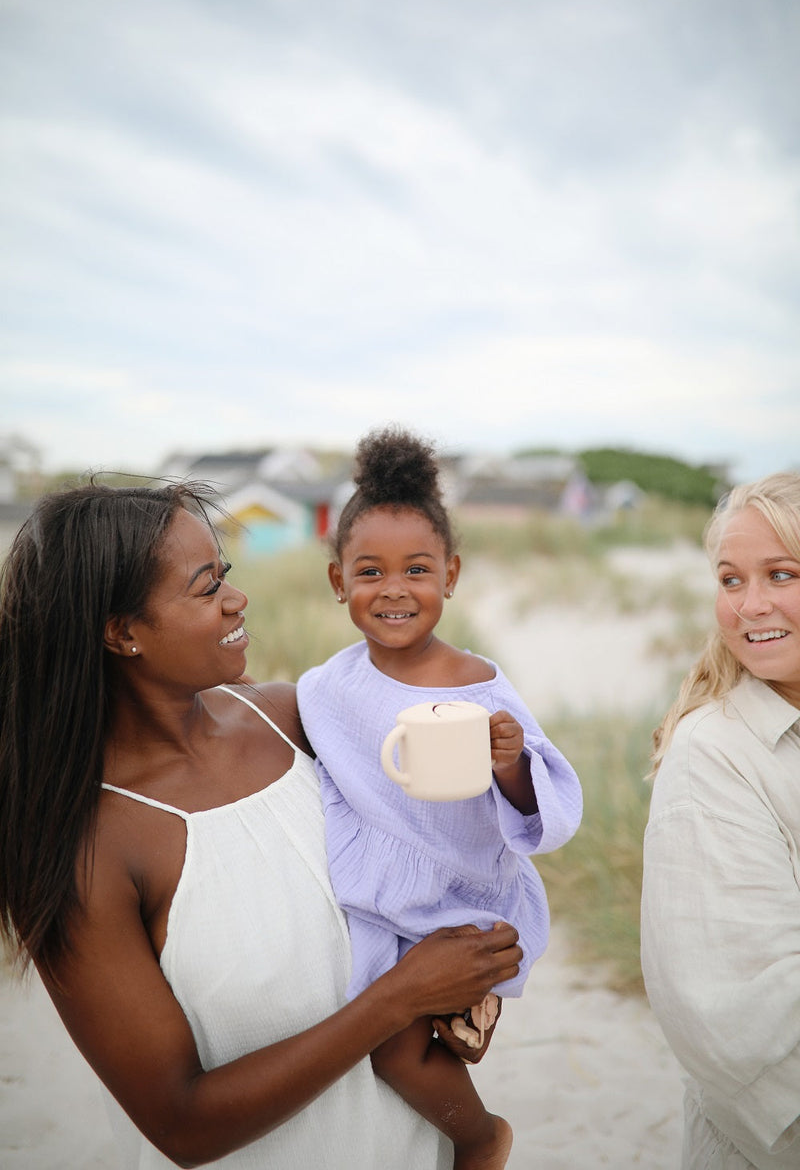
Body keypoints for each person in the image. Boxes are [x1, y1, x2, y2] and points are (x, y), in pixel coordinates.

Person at [0, 480, 526, 1170]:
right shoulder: (88, 850)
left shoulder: (293, 721)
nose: (235, 597)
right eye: (204, 586)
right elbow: (182, 1125)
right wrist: (401, 997)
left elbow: (437, 837)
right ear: (123, 633)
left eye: (227, 574)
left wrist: (467, 974)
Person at [297, 427, 583, 1170]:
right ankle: (457, 1020)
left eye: (417, 569)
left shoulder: (482, 683)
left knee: (395, 1051)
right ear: (338, 583)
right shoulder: (328, 687)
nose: (394, 588)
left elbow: (541, 802)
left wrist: (511, 762)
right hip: (373, 890)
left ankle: (480, 1139)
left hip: (460, 886)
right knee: (346, 1019)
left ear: (450, 575)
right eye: (370, 571)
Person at [641, 471, 800, 1170]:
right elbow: (735, 1028)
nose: (751, 605)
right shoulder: (714, 756)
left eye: (781, 574)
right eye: (732, 580)